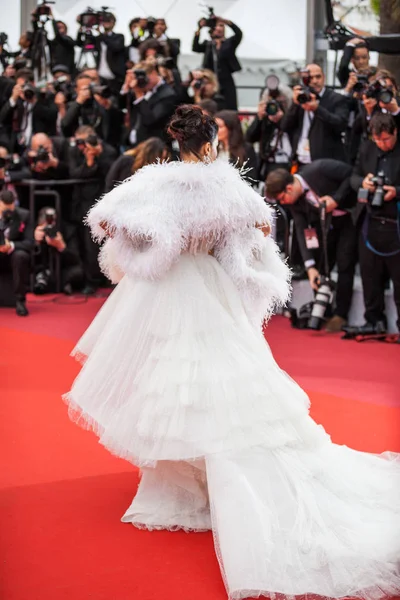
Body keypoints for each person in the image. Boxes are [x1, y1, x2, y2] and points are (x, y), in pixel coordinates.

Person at [64, 105, 400, 600]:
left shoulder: (154, 183)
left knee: (172, 377)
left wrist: (157, 244)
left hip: (166, 290)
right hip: (208, 288)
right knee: (219, 377)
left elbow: (105, 219)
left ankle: (182, 489)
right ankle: (207, 481)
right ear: (209, 143)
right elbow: (260, 230)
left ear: (177, 143)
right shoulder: (227, 187)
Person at [265, 160, 358, 332]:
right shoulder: (295, 203)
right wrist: (310, 266)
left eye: (282, 198)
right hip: (324, 227)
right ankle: (323, 312)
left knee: (345, 263)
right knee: (321, 265)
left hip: (348, 218)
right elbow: (301, 230)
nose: (284, 203)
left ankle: (341, 315)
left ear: (289, 188)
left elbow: (352, 174)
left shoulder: (320, 169)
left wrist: (336, 199)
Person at [347, 112, 400, 336]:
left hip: (396, 223)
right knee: (370, 274)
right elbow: (354, 177)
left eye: (386, 139)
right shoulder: (367, 148)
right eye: (378, 140)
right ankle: (373, 320)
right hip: (370, 221)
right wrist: (364, 182)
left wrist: (396, 191)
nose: (381, 144)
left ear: (395, 132)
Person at [68, 125, 116, 294]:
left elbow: (111, 172)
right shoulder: (74, 152)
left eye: (86, 141)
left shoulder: (107, 151)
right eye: (79, 141)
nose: (83, 145)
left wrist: (98, 156)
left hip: (102, 201)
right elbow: (72, 173)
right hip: (81, 205)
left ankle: (111, 278)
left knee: (108, 243)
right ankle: (91, 281)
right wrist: (88, 162)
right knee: (87, 247)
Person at [281, 64, 349, 167]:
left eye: (318, 77)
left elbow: (340, 125)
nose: (315, 81)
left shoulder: (336, 99)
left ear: (324, 77)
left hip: (325, 161)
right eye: (311, 78)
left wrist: (317, 109)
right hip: (300, 160)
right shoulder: (301, 98)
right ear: (305, 80)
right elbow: (285, 126)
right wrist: (295, 104)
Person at [123, 60, 177, 146]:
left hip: (154, 148)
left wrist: (139, 94)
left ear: (154, 73)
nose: (143, 82)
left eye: (145, 79)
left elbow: (150, 121)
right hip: (133, 143)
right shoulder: (140, 88)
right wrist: (126, 86)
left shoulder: (167, 95)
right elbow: (122, 106)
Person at [192, 17, 242, 110]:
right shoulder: (208, 44)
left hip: (226, 80)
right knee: (210, 105)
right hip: (211, 81)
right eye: (216, 26)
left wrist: (224, 20)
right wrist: (199, 28)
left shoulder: (229, 42)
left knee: (230, 105)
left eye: (221, 26)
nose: (218, 28)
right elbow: (195, 47)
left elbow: (239, 33)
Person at [0, 189, 33, 315]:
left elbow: (30, 243)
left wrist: (11, 245)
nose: (8, 212)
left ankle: (20, 301)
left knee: (21, 256)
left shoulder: (24, 215)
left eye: (11, 209)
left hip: (12, 255)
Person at [215, 110, 257, 180]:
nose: (215, 130)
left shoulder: (246, 149)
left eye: (219, 126)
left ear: (230, 128)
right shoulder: (212, 148)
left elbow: (251, 177)